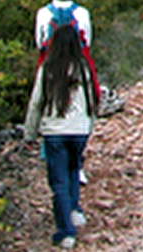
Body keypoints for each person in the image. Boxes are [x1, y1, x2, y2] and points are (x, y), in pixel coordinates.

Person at [24, 22, 98, 249]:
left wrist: (30, 133)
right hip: (79, 130)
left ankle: (66, 231)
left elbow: (36, 103)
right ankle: (75, 210)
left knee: (58, 180)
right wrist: (89, 127)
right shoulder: (83, 66)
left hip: (55, 131)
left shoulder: (48, 68)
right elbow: (91, 99)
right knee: (73, 168)